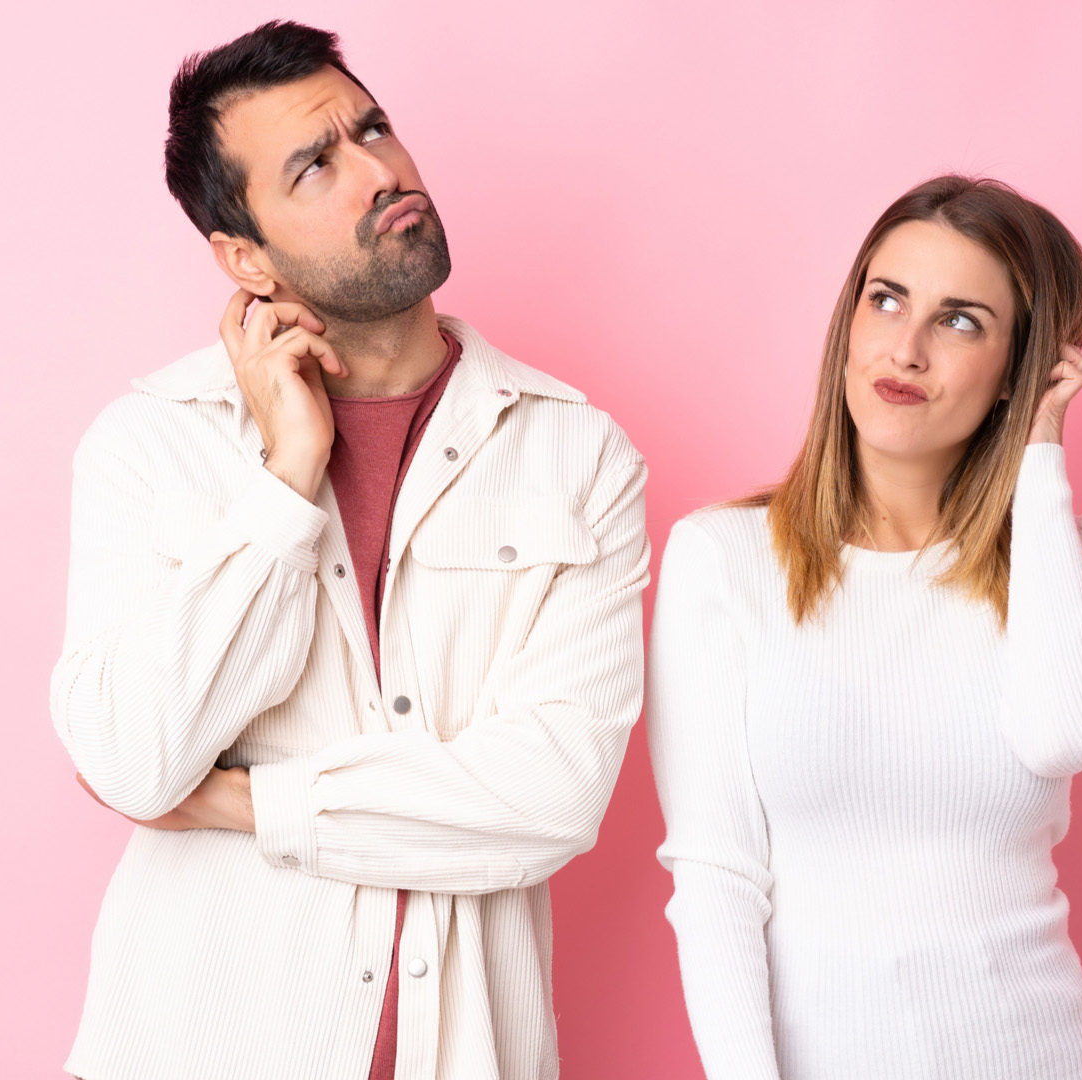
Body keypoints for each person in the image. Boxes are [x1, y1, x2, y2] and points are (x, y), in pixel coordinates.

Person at [50, 21, 649, 1080]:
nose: (378, 170)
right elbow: (133, 759)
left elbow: (554, 798)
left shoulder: (575, 454)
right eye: (315, 166)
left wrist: (249, 800)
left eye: (371, 128)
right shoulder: (152, 446)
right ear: (244, 256)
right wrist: (287, 479)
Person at [648, 175, 1082, 1080]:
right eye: (887, 301)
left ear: (1021, 372)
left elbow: (1063, 727)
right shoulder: (723, 560)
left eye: (961, 321)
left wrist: (1039, 458)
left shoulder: (1074, 560)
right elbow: (716, 877)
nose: (905, 349)